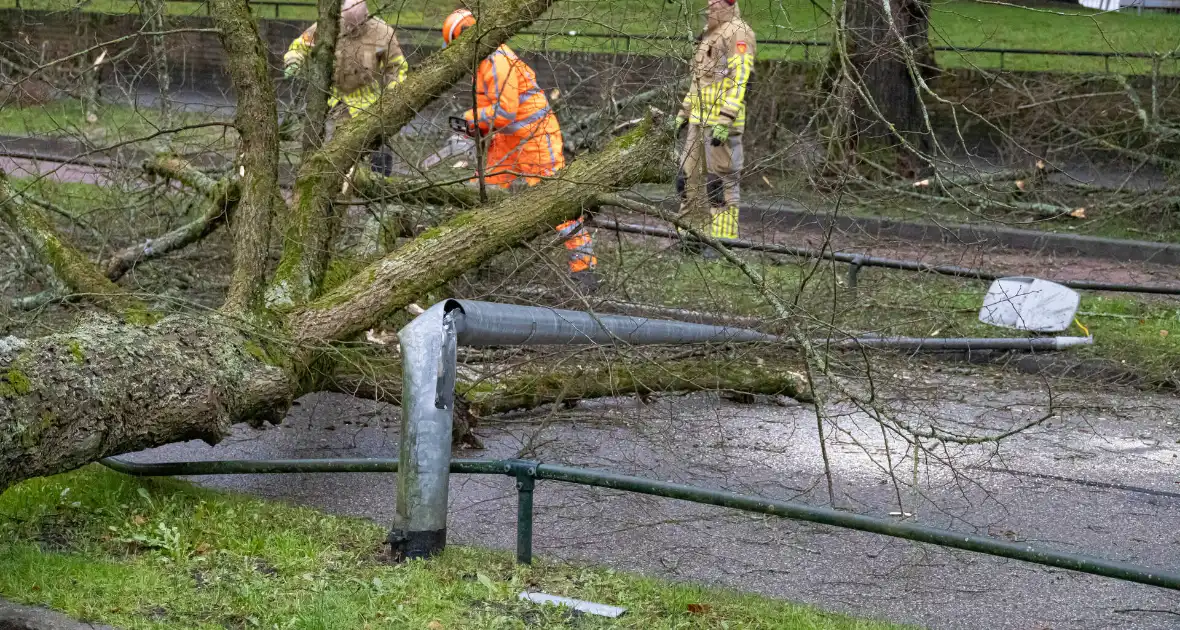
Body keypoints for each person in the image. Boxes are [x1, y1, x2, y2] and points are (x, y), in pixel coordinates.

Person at [441, 8, 598, 291]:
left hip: (537, 138)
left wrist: (471, 119)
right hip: (509, 140)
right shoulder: (484, 63)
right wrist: (477, 127)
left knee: (557, 200)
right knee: (483, 190)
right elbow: (493, 112)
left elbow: (505, 110)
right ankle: (476, 257)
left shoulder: (497, 62)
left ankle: (584, 267)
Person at [283, 0, 408, 175]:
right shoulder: (329, 26)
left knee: (380, 150)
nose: (351, 30)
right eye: (348, 25)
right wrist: (294, 59)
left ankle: (379, 188)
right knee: (333, 154)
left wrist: (393, 96)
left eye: (355, 26)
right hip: (336, 102)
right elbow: (300, 45)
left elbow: (397, 68)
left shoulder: (383, 33)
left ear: (366, 17)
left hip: (370, 104)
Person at [675, 0, 756, 253]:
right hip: (699, 120)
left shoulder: (738, 32)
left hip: (721, 124)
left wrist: (726, 118)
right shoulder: (710, 32)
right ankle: (691, 239)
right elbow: (699, 81)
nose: (709, 4)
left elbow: (741, 78)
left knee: (719, 185)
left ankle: (722, 245)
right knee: (688, 181)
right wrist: (684, 113)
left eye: (715, 1)